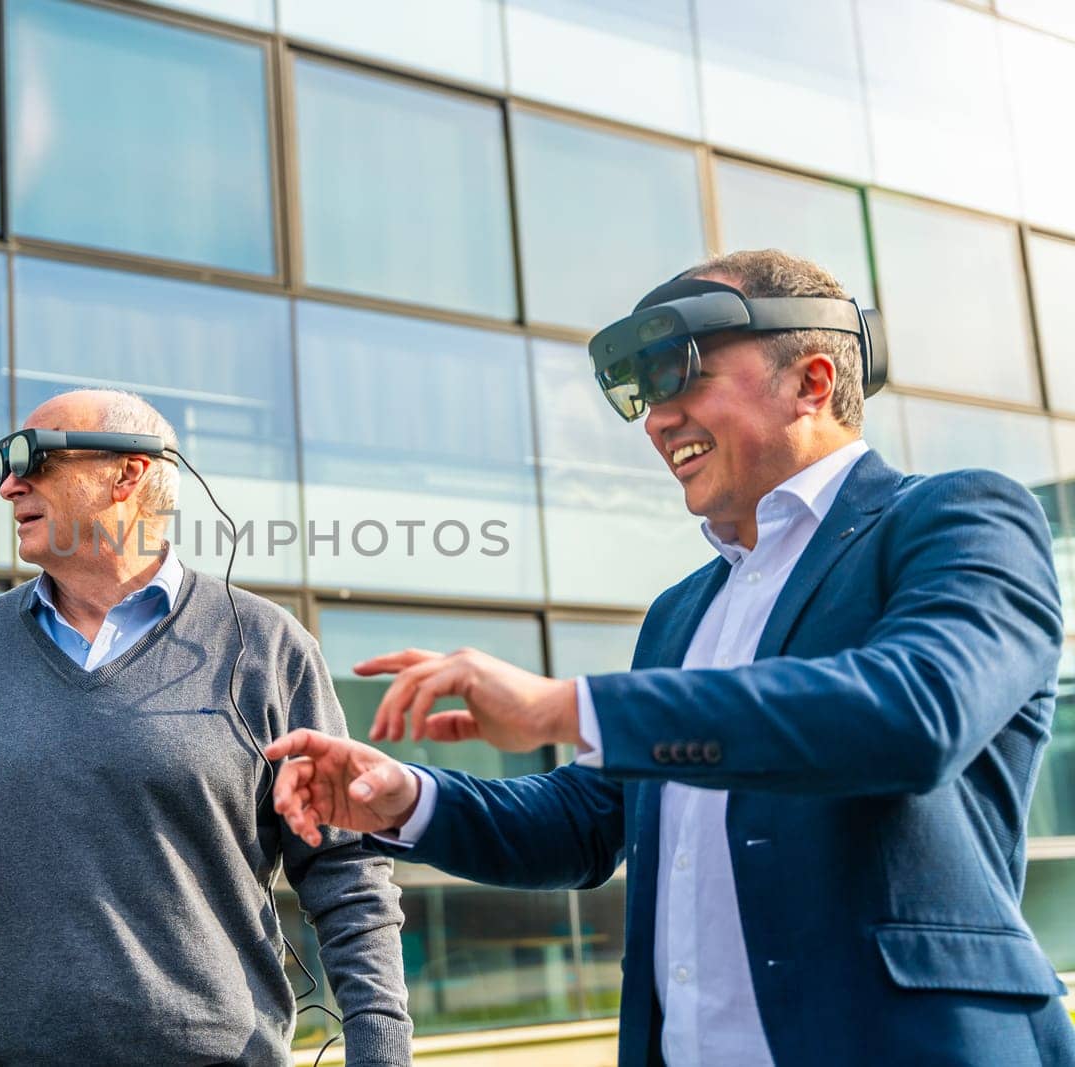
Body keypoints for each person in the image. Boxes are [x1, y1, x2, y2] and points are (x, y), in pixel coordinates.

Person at [264, 250, 1075, 1066]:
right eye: (644, 393)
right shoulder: (681, 612)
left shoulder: (961, 517)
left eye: (683, 375)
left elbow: (913, 714)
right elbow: (587, 822)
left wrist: (568, 705)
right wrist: (402, 796)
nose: (655, 419)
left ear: (813, 380)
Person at [0, 389, 412, 1066]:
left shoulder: (265, 647)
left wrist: (380, 1049)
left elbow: (347, 872)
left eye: (33, 458)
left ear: (128, 472)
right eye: (0, 468)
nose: (9, 485)